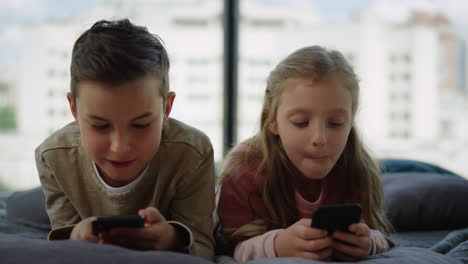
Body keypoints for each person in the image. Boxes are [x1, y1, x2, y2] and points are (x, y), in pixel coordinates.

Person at [35, 19, 215, 260]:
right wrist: (77, 237)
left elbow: (203, 247)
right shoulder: (53, 157)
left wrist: (172, 238)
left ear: (167, 108)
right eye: (100, 126)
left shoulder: (193, 153)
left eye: (141, 125)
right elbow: (62, 236)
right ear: (74, 109)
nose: (120, 148)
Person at [217, 46, 394, 263]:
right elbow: (230, 246)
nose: (319, 138)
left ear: (351, 121)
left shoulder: (359, 167)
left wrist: (369, 243)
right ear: (271, 120)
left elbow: (379, 234)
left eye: (336, 123)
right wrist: (278, 245)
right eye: (301, 122)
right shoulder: (244, 167)